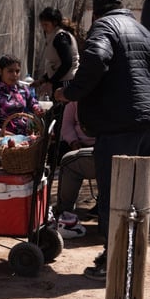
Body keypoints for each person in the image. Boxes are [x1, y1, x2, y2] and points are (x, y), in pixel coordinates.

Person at [56, 0, 150, 281]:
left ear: (97, 12)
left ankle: (114, 263)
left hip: (121, 124)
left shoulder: (105, 27)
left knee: (114, 195)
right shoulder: (143, 31)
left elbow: (96, 57)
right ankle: (129, 260)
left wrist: (70, 93)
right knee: (136, 197)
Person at [0, 55, 44, 156]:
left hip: (23, 138)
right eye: (10, 71)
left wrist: (37, 109)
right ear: (0, 71)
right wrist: (7, 134)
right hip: (1, 140)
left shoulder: (22, 90)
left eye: (17, 71)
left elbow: (33, 102)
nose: (14, 75)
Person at [53, 100, 95, 238]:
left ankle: (64, 212)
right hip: (78, 144)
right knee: (65, 155)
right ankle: (65, 212)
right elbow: (67, 125)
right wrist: (74, 142)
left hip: (100, 147)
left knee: (68, 163)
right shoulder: (74, 101)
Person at [35, 7, 80, 100]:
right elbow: (56, 65)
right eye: (42, 25)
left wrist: (50, 82)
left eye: (46, 25)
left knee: (63, 112)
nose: (44, 28)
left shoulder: (60, 38)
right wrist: (43, 80)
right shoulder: (54, 36)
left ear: (54, 23)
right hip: (60, 81)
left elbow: (67, 63)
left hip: (66, 82)